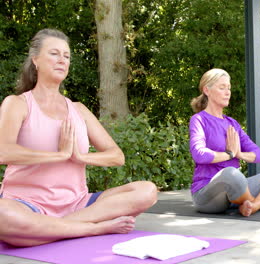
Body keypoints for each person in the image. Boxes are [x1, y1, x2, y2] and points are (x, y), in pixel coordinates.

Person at [0, 29, 158, 247]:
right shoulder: (17, 103)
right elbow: (3, 152)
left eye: (66, 56)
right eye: (54, 54)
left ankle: (48, 228)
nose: (62, 60)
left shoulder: (79, 110)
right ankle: (92, 228)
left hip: (77, 203)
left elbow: (116, 156)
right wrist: (59, 155)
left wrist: (80, 157)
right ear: (35, 59)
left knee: (146, 191)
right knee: (2, 215)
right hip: (27, 203)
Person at [189, 68, 260, 217]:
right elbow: (199, 155)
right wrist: (229, 154)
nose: (228, 92)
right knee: (230, 174)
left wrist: (238, 154)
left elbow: (258, 155)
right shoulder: (199, 120)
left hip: (235, 192)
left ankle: (254, 205)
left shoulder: (232, 123)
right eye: (222, 87)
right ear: (207, 90)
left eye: (229, 88)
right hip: (208, 196)